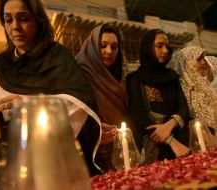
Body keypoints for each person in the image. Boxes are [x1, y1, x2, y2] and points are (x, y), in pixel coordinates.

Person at [0, 0, 102, 177]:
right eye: (8, 20)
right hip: (4, 161)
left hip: (46, 159)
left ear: (38, 20)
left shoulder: (57, 57)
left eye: (23, 18)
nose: (15, 27)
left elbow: (79, 104)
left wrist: (29, 105)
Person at [126, 29, 190, 165]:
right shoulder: (135, 79)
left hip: (180, 145)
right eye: (159, 46)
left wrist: (169, 126)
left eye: (167, 46)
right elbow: (138, 117)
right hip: (154, 148)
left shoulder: (172, 77)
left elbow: (184, 109)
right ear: (148, 48)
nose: (165, 51)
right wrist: (170, 140)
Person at [75, 24, 128, 172]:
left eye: (114, 47)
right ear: (92, 47)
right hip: (90, 151)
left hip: (118, 145)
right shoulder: (78, 75)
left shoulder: (118, 78)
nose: (109, 51)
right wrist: (96, 133)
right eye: (103, 45)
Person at [175, 46, 217, 133]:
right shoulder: (180, 89)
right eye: (199, 59)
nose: (203, 62)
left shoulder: (205, 85)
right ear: (188, 63)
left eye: (203, 58)